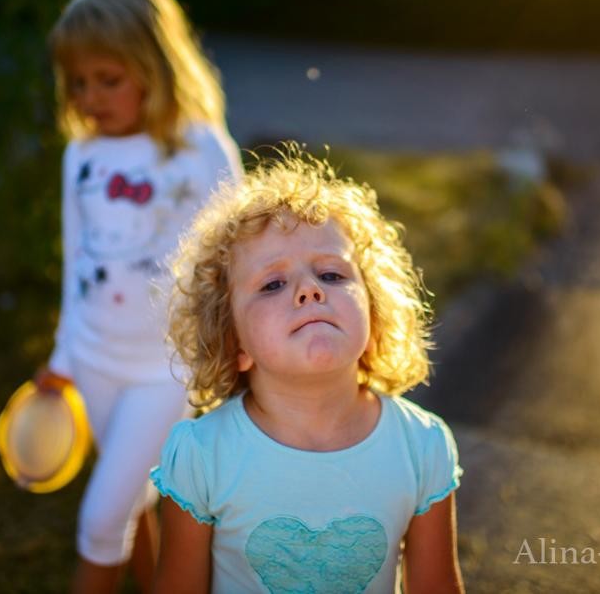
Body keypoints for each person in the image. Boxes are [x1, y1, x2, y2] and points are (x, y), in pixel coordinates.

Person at [151, 149, 465, 593]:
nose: (309, 290)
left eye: (332, 275)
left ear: (374, 313)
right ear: (234, 341)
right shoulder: (202, 456)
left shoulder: (421, 447)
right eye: (273, 284)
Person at [36, 0, 243, 594]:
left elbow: (235, 251)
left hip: (164, 368)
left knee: (100, 518)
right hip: (96, 359)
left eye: (108, 80)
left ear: (152, 70)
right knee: (133, 500)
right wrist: (64, 355)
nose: (90, 97)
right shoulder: (83, 156)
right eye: (78, 82)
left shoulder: (197, 148)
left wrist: (235, 345)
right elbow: (78, 262)